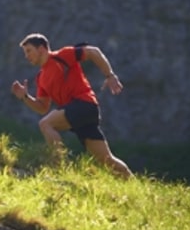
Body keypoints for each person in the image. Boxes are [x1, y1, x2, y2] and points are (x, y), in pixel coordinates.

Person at [11, 33, 133, 179]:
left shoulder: (62, 55)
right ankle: (134, 183)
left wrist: (110, 75)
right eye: (25, 52)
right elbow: (42, 107)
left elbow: (94, 52)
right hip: (79, 114)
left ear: (42, 49)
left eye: (29, 50)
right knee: (106, 159)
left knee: (45, 124)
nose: (26, 56)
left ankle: (59, 166)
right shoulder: (41, 77)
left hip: (84, 104)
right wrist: (25, 97)